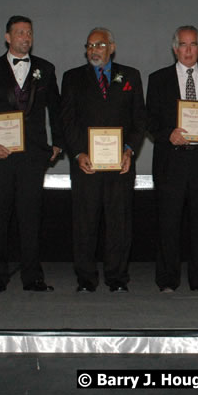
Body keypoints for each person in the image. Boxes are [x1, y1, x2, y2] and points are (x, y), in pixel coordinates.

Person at [0, 15, 63, 292]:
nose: (25, 37)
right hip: (0, 154)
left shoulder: (45, 69)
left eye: (29, 33)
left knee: (30, 217)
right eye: (20, 32)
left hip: (33, 155)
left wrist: (58, 143)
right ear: (7, 38)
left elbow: (56, 110)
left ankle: (32, 276)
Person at [60, 27, 146, 293]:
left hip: (120, 165)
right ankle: (86, 279)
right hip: (87, 165)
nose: (93, 50)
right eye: (89, 45)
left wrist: (129, 150)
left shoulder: (130, 76)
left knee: (119, 223)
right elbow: (67, 121)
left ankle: (117, 277)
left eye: (99, 45)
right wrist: (78, 153)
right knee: (85, 223)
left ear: (112, 47)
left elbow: (139, 120)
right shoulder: (72, 78)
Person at [146, 25, 198, 292]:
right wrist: (168, 134)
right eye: (183, 44)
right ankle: (167, 280)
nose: (188, 50)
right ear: (174, 48)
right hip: (171, 162)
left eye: (193, 45)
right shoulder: (158, 79)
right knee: (168, 224)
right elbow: (150, 120)